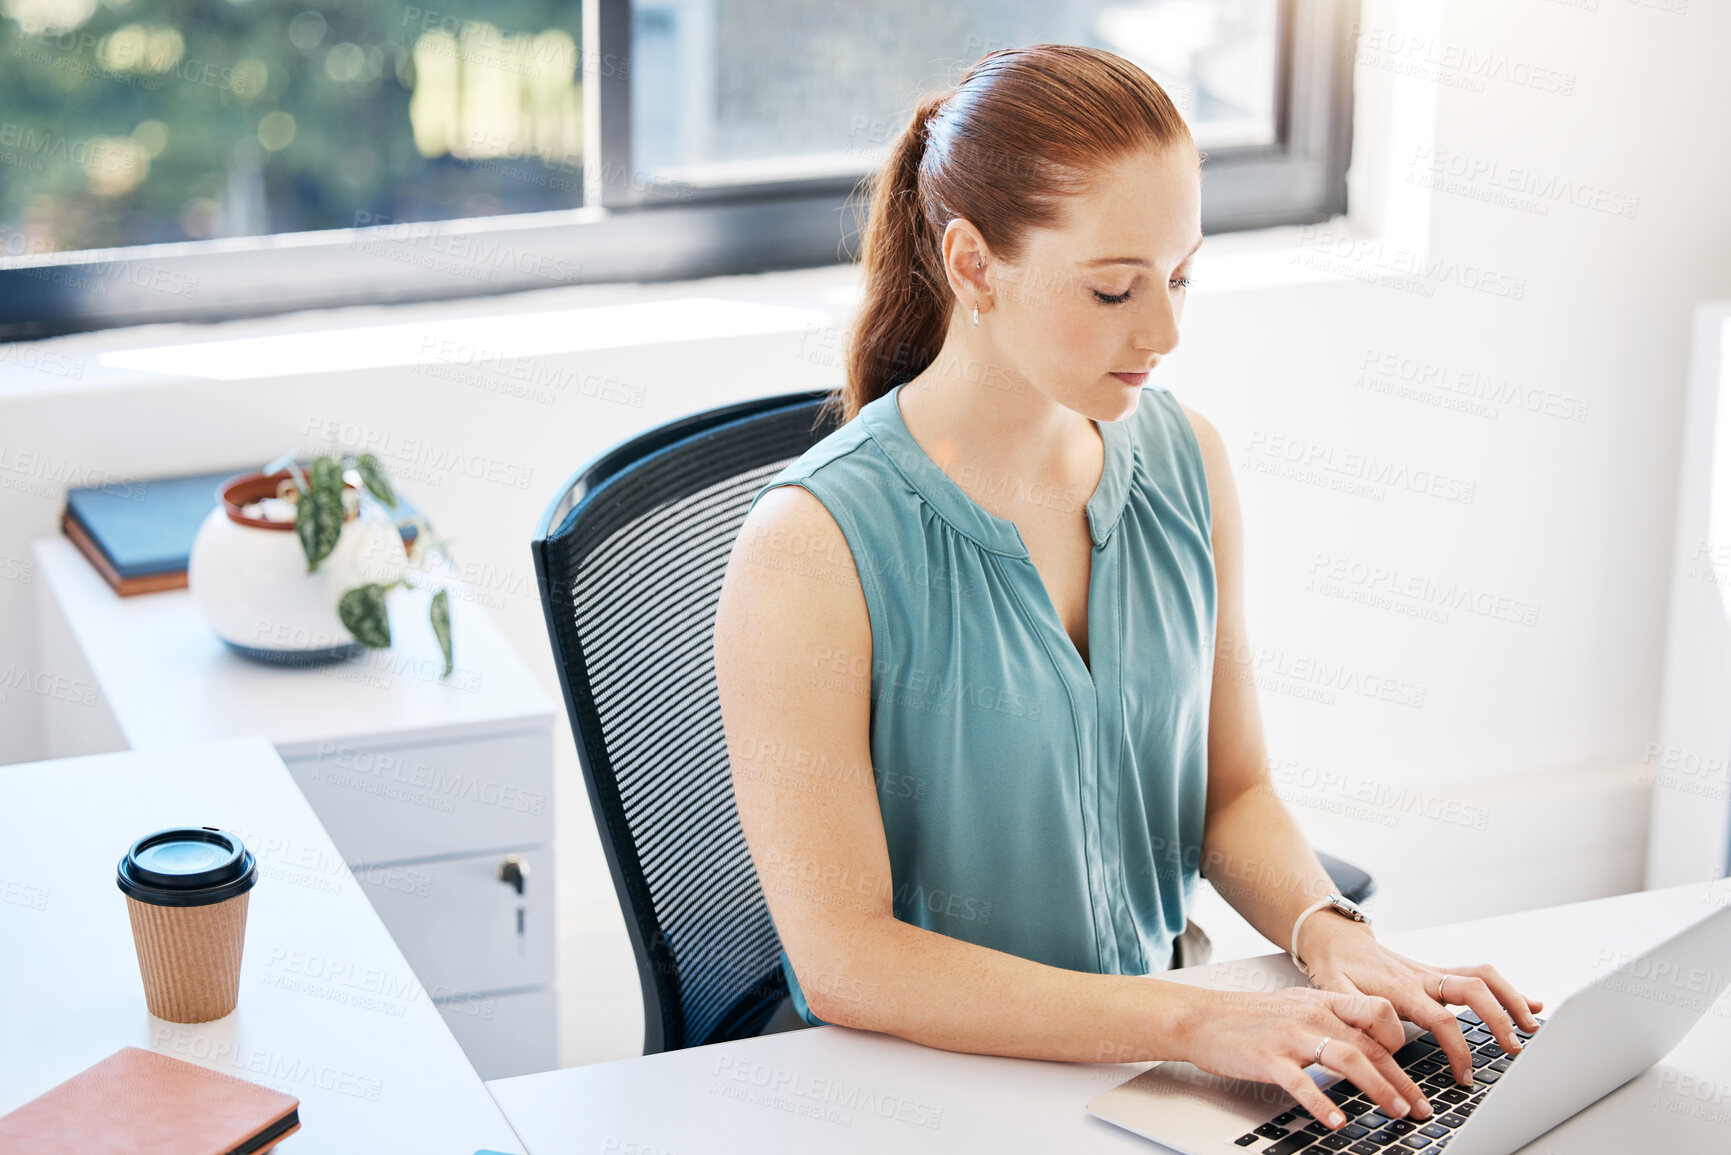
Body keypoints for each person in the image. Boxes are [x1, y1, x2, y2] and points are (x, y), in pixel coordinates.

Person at [711, 43, 1541, 1135]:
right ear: (972, 266)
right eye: (1113, 288)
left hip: (1145, 1071)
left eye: (1182, 275)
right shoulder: (810, 547)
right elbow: (846, 963)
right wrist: (1190, 1023)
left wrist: (1334, 937)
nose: (1164, 333)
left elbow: (1229, 792)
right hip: (921, 1099)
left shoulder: (1187, 465)